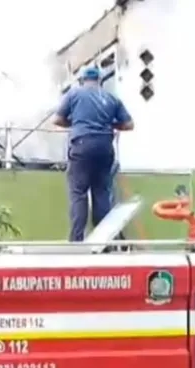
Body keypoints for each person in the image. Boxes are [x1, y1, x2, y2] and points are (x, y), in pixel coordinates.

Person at [54, 66, 134, 242]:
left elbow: (57, 119)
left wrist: (76, 124)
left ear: (82, 80)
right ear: (100, 80)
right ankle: (103, 240)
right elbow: (129, 124)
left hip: (82, 146)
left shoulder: (74, 94)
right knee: (102, 194)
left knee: (78, 193)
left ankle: (76, 240)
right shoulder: (111, 98)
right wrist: (110, 125)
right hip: (105, 148)